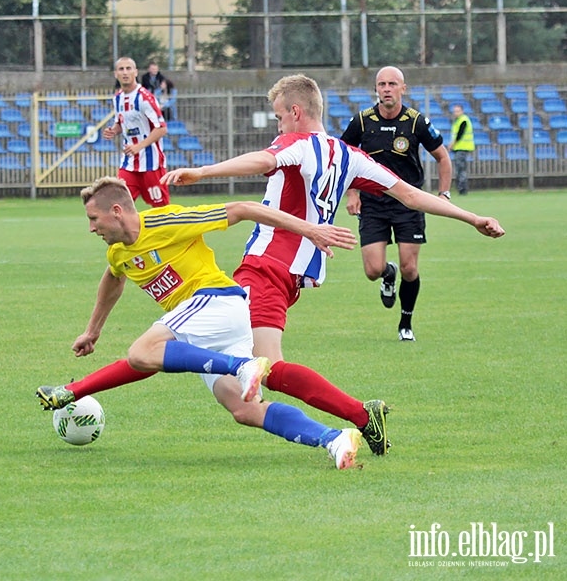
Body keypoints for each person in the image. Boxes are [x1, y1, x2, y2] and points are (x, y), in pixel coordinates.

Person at [161, 74, 505, 456]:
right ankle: (352, 419)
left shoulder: (298, 144)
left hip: (266, 266)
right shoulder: (349, 155)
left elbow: (264, 159)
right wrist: (471, 217)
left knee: (260, 367)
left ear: (295, 112)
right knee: (240, 393)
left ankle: (358, 417)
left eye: (278, 119)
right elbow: (410, 194)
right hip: (289, 275)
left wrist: (204, 172)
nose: (278, 127)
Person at [37, 177, 366, 470]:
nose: (92, 228)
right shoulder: (118, 252)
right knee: (244, 409)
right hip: (205, 328)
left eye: (94, 219)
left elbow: (242, 207)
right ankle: (335, 439)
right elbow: (114, 279)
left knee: (142, 351)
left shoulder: (166, 221)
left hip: (218, 302)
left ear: (118, 211)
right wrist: (93, 331)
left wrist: (310, 230)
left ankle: (241, 367)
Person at [340, 66, 454, 342]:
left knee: (410, 268)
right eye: (382, 84)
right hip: (373, 203)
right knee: (372, 271)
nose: (386, 89)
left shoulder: (416, 122)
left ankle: (406, 323)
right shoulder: (362, 122)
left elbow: (443, 157)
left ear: (403, 88)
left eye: (392, 84)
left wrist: (444, 194)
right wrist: (352, 193)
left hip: (408, 203)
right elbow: (343, 158)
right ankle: (386, 274)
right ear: (376, 89)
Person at [102, 57, 169, 208]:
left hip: (151, 164)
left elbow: (162, 128)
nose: (125, 72)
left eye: (128, 68)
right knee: (119, 206)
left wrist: (139, 146)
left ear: (135, 72)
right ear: (115, 74)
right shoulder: (118, 98)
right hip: (129, 164)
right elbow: (122, 123)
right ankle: (127, 232)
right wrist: (113, 130)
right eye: (121, 69)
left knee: (161, 209)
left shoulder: (145, 98)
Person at [448, 104, 474, 195]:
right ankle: (461, 188)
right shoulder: (458, 120)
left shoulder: (463, 120)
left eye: (457, 111)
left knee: (461, 169)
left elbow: (459, 134)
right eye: (454, 111)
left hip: (462, 147)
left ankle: (463, 189)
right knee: (459, 169)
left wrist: (452, 144)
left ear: (462, 111)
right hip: (459, 147)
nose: (456, 113)